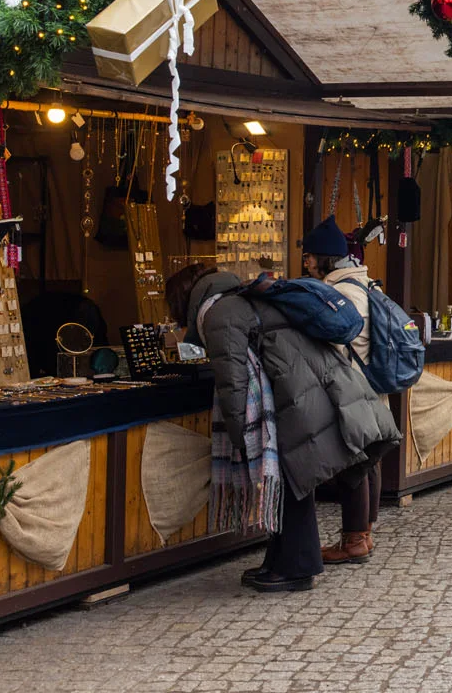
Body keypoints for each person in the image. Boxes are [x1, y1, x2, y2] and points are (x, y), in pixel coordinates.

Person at [165, 263, 402, 592]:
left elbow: (232, 382)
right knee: (292, 478)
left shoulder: (218, 313)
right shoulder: (241, 297)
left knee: (294, 478)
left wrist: (240, 438)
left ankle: (297, 567)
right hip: (308, 388)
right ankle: (280, 561)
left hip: (296, 396)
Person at [300, 217, 394, 565]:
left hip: (352, 388)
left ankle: (354, 540)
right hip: (371, 387)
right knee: (368, 459)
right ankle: (365, 533)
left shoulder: (340, 293)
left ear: (323, 258)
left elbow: (336, 343)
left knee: (353, 462)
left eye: (309, 256)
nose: (306, 263)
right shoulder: (367, 284)